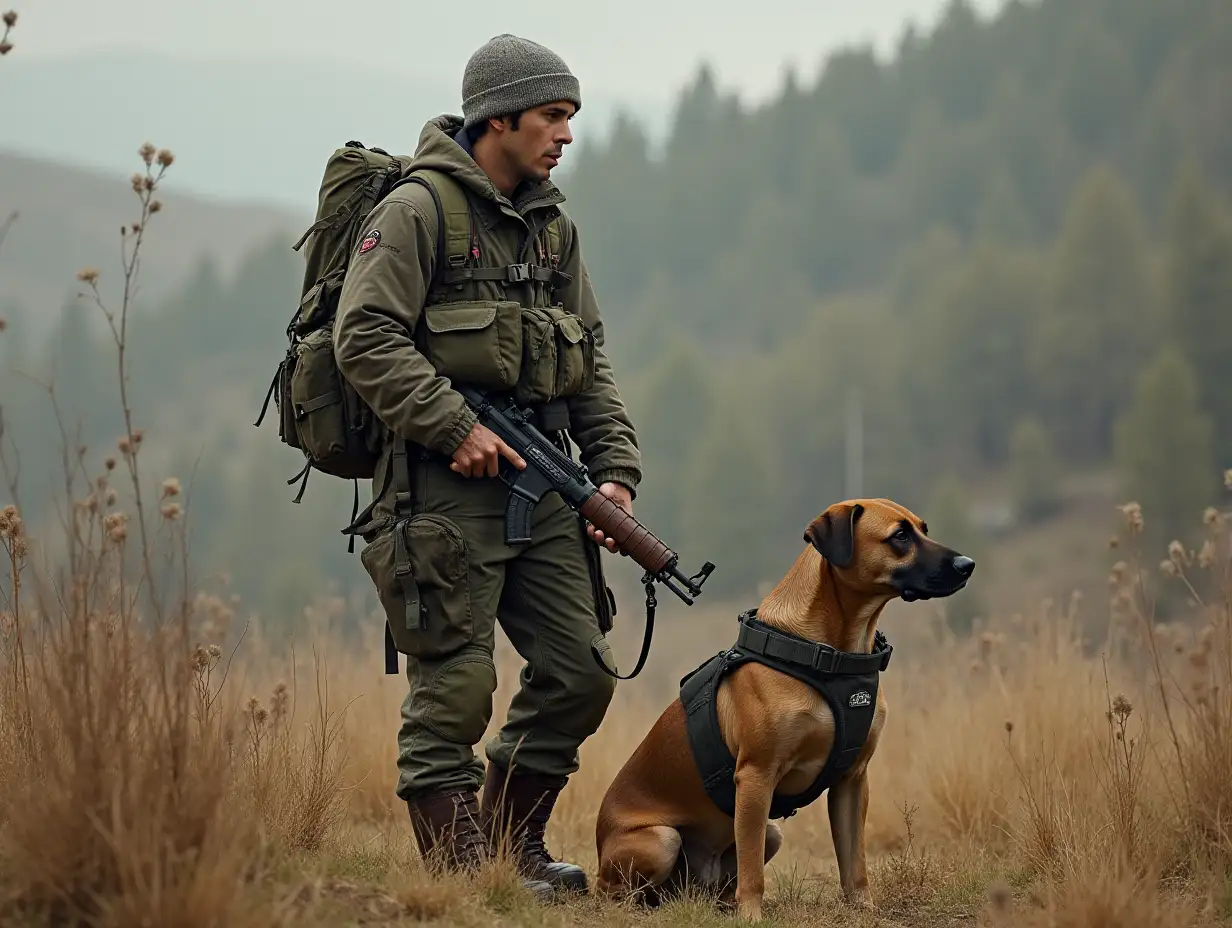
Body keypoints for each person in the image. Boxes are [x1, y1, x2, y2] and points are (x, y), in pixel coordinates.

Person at [332, 33, 642, 899]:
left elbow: (590, 360)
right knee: (456, 687)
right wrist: (450, 424)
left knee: (581, 671)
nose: (566, 135)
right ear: (496, 119)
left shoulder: (553, 228)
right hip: (442, 490)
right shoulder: (419, 211)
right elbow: (364, 335)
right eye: (552, 116)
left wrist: (614, 472)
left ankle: (513, 848)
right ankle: (465, 878)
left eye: (570, 117)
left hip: (542, 485)